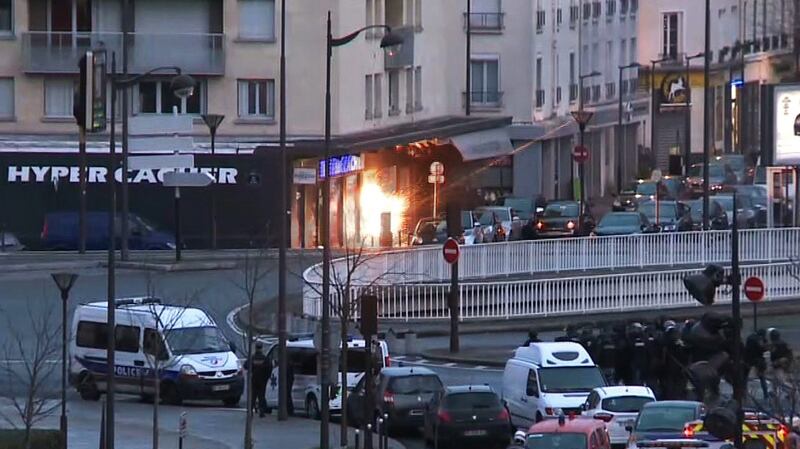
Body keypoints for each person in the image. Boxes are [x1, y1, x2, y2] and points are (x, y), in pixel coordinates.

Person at [244, 342, 270, 418]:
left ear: (255, 348)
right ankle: (261, 412)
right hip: (262, 380)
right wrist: (266, 377)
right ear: (261, 348)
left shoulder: (252, 358)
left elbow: (245, 366)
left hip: (254, 379)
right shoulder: (265, 358)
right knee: (261, 396)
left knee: (253, 396)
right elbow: (269, 368)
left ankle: (251, 412)